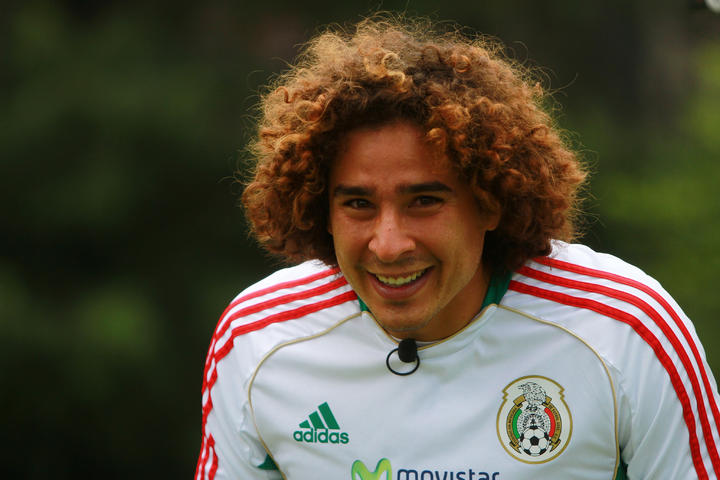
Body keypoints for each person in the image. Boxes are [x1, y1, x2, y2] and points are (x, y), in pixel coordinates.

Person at [195, 15, 720, 480]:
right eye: (358, 204)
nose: (388, 244)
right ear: (320, 211)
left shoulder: (626, 329)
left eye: (424, 201)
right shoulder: (258, 339)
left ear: (490, 203)